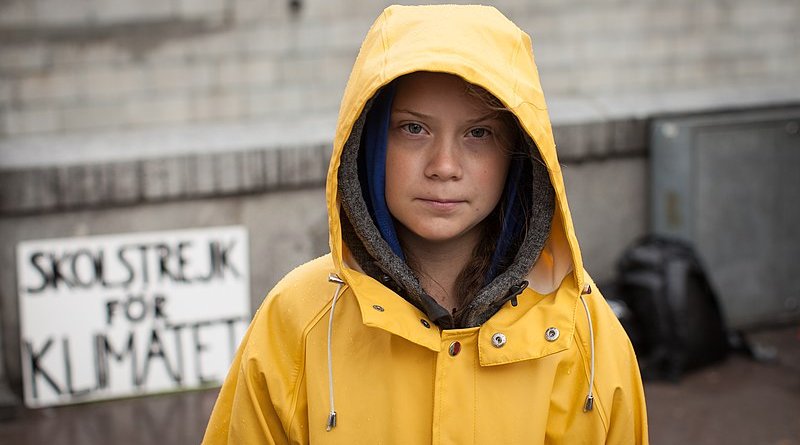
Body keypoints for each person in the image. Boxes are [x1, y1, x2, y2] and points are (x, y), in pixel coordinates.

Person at [202, 4, 648, 444]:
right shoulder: (298, 319)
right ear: (369, 141)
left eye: (478, 134)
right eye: (413, 129)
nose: (444, 166)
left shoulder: (580, 327)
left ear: (518, 154)